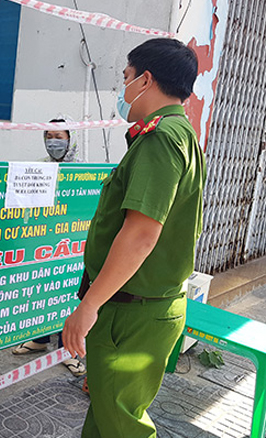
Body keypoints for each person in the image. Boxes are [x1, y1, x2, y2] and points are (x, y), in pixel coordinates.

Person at [62, 38, 204, 438]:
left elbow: (141, 234)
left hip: (133, 314)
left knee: (122, 424)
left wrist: (88, 307)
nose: (121, 89)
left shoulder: (160, 139)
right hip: (141, 307)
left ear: (146, 79)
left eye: (125, 77)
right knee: (107, 415)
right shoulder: (179, 133)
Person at [12, 120, 86, 377]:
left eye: (60, 136)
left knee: (66, 296)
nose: (54, 141)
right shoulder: (38, 168)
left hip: (70, 244)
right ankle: (40, 339)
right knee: (41, 293)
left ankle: (68, 350)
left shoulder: (83, 172)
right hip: (42, 241)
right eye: (49, 136)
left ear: (70, 138)